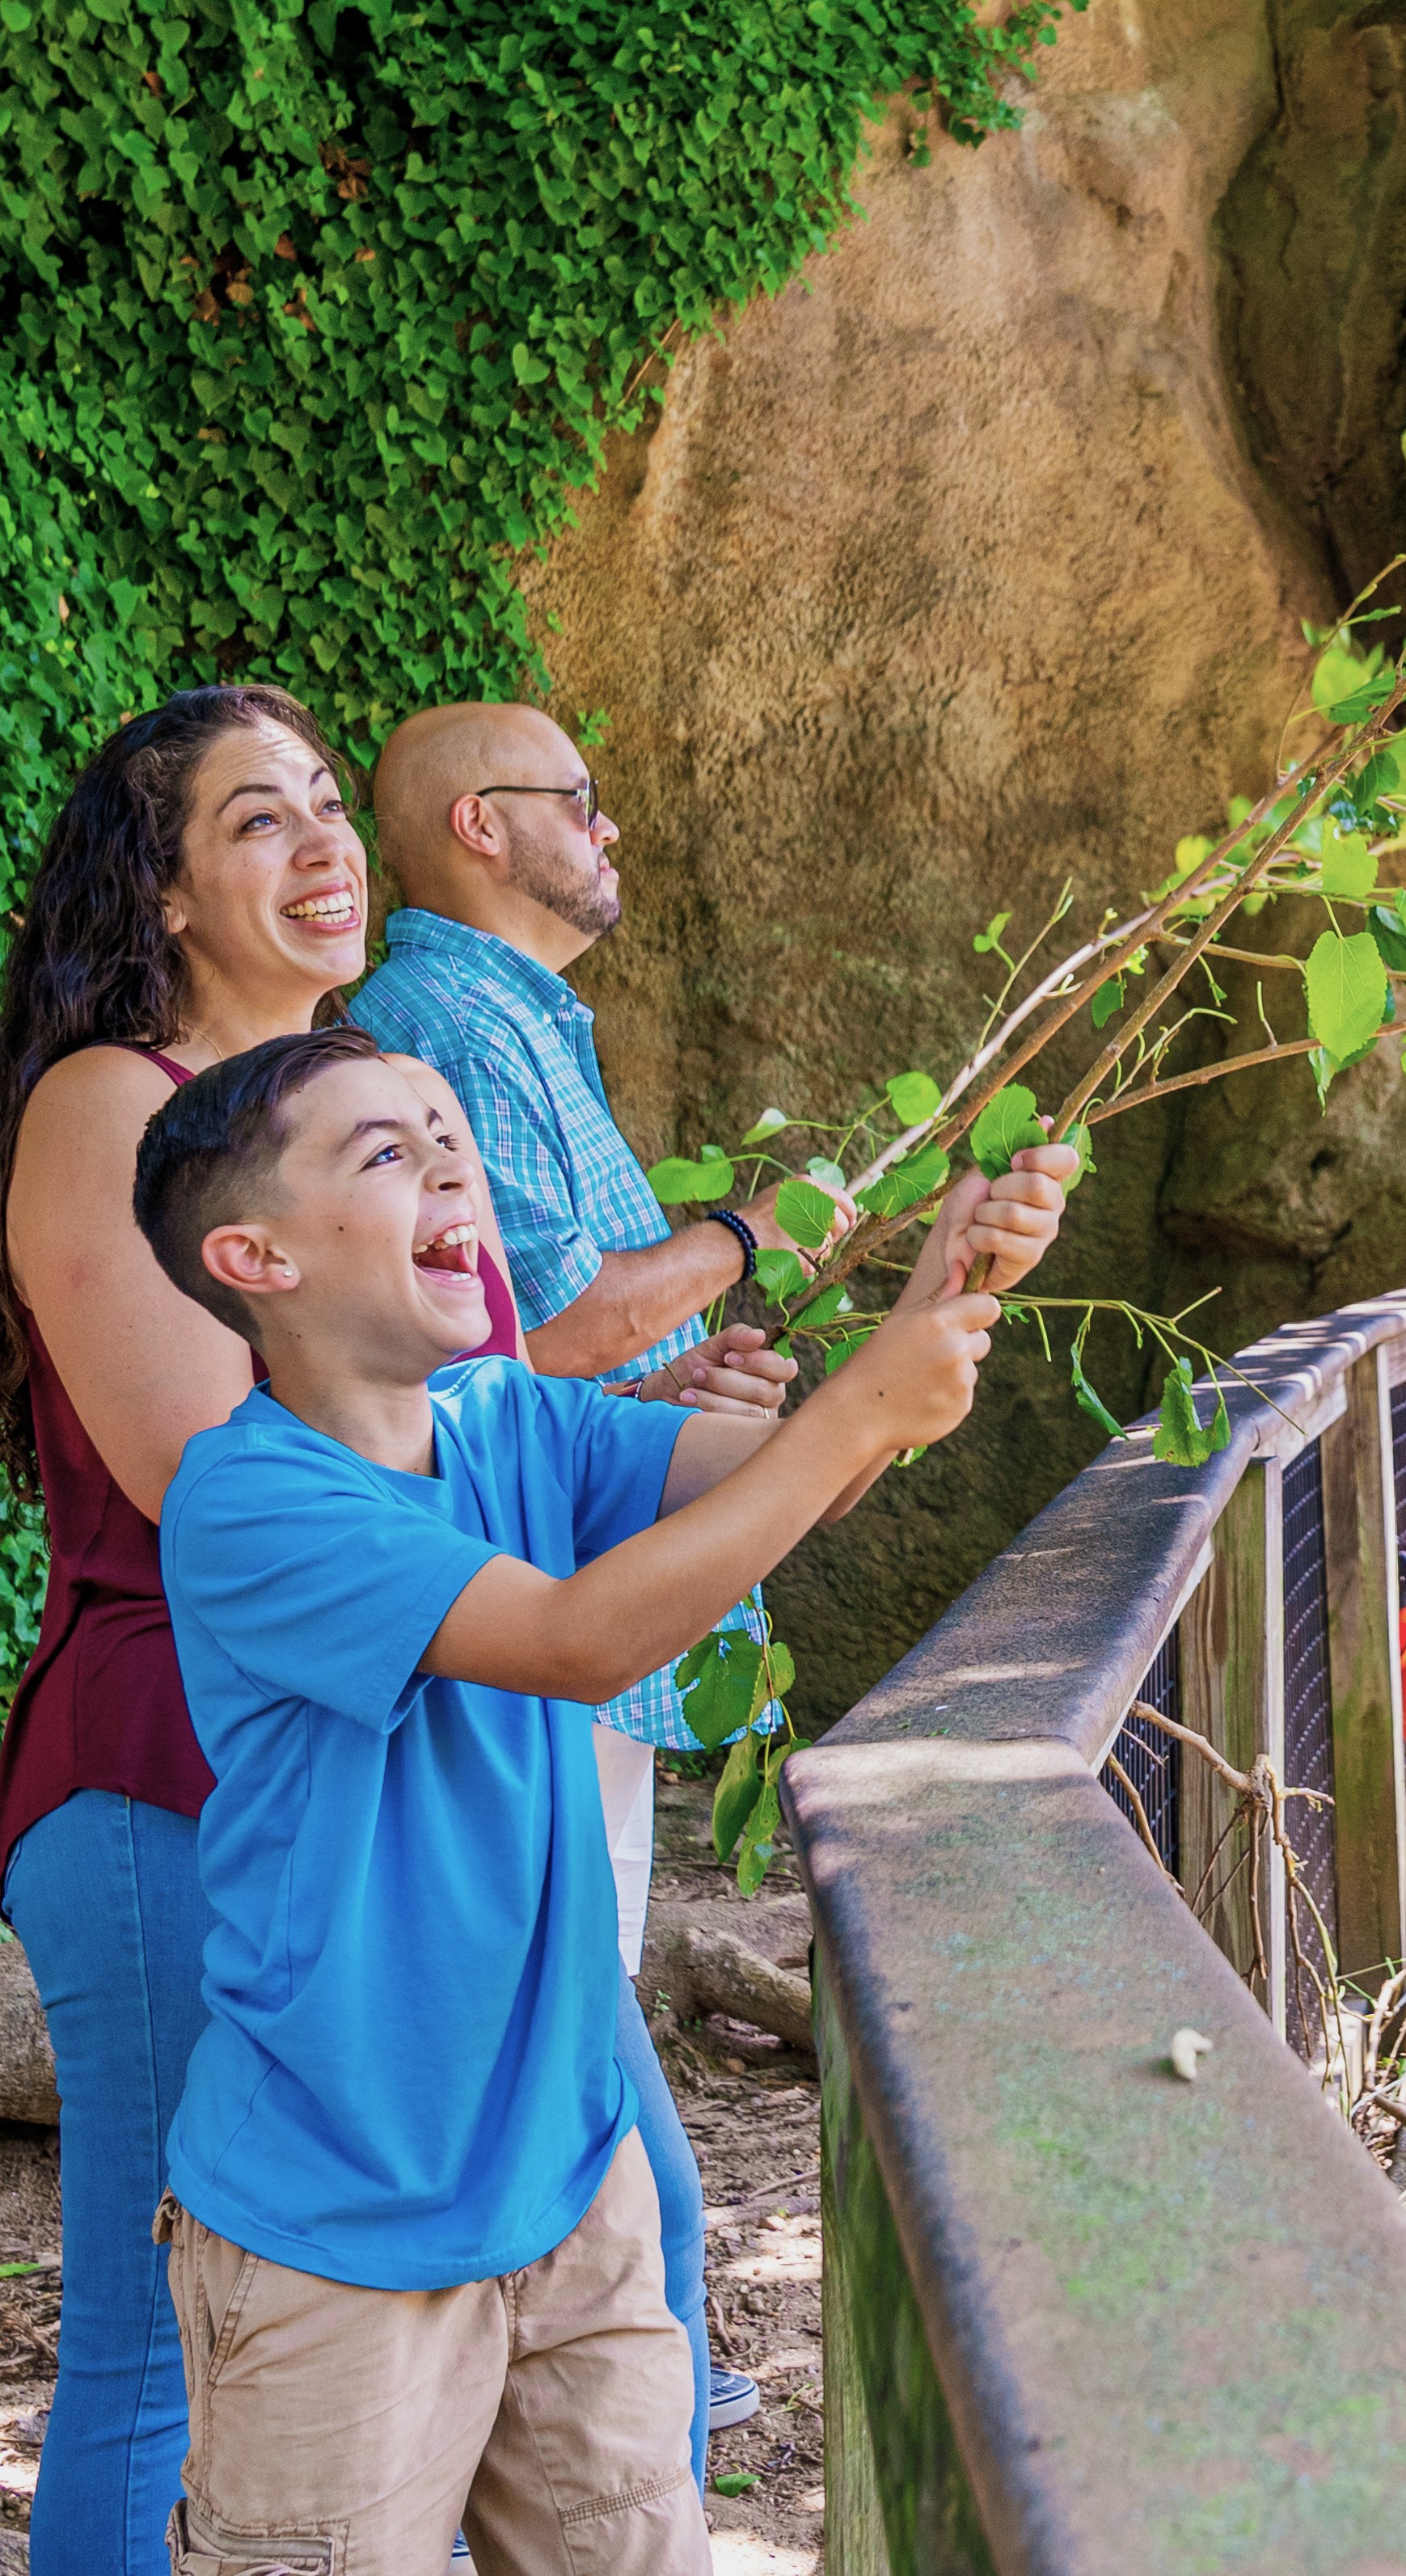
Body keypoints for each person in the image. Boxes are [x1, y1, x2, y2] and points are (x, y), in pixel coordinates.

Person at [0, 690, 776, 2576]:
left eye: (332, 803)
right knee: (159, 2362)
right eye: (260, 820)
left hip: (446, 1802)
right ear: (159, 895)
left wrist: (657, 1436)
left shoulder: (379, 1113)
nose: (327, 843)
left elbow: (488, 1422)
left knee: (628, 2210)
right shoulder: (115, 1104)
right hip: (189, 1774)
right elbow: (233, 1481)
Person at [129, 1029, 1044, 2571]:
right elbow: (581, 1638)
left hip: (570, 2177)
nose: (446, 1158)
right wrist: (866, 1403)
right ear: (252, 1255)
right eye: (381, 1148)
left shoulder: (512, 1415)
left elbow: (784, 1481)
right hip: (335, 2226)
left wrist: (923, 1318)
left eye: (445, 1129)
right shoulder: (249, 1496)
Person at [353, 702, 1088, 2443]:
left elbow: (574, 1367)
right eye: (579, 803)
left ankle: (634, 2374)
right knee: (563, 2011)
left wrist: (699, 1392)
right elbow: (551, 1324)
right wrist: (753, 1238)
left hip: (600, 1536)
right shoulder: (433, 1020)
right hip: (543, 1592)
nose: (610, 830)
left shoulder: (518, 1020)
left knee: (585, 2007)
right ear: (477, 823)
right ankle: (618, 2381)